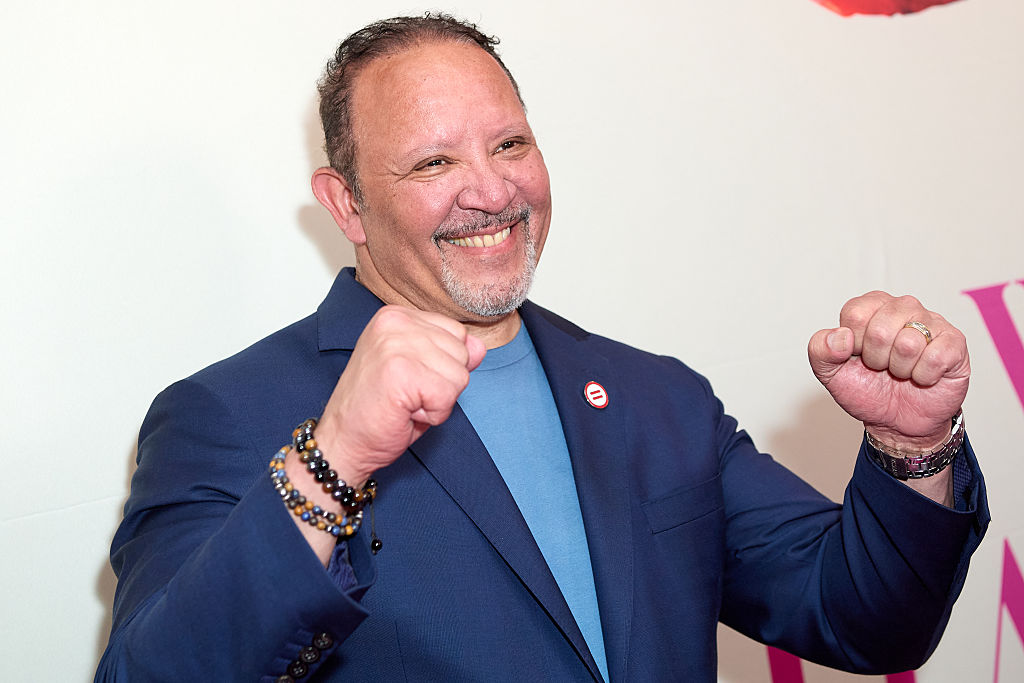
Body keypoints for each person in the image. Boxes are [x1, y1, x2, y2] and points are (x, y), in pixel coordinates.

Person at [96, 13, 988, 682]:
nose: (491, 189)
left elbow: (869, 623)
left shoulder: (656, 397)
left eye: (510, 143)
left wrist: (915, 450)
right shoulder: (226, 414)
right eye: (433, 164)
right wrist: (334, 459)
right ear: (347, 205)